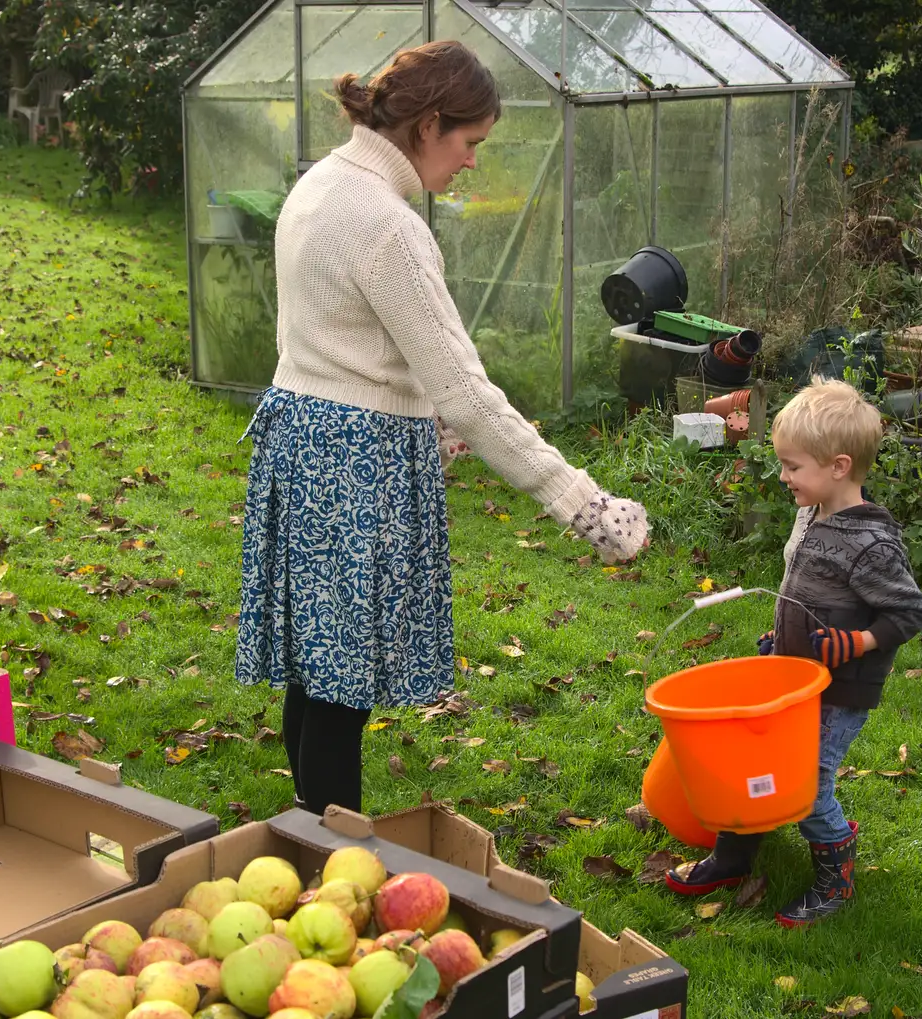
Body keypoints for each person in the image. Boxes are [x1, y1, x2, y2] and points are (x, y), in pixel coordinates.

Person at [234, 40, 650, 818]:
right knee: (340, 692)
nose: (470, 164)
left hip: (303, 439)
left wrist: (411, 412)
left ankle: (305, 833)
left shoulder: (322, 181)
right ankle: (333, 867)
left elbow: (336, 337)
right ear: (428, 124)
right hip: (354, 463)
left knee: (315, 672)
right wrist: (583, 503)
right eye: (470, 144)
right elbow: (465, 393)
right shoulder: (388, 226)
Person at [664, 377, 922, 926]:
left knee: (805, 784)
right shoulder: (812, 513)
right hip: (792, 673)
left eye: (792, 466)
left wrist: (858, 642)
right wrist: (778, 637)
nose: (783, 476)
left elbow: (909, 614)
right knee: (746, 757)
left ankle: (837, 874)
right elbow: (797, 588)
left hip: (841, 689)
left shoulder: (870, 543)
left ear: (837, 466)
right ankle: (734, 857)